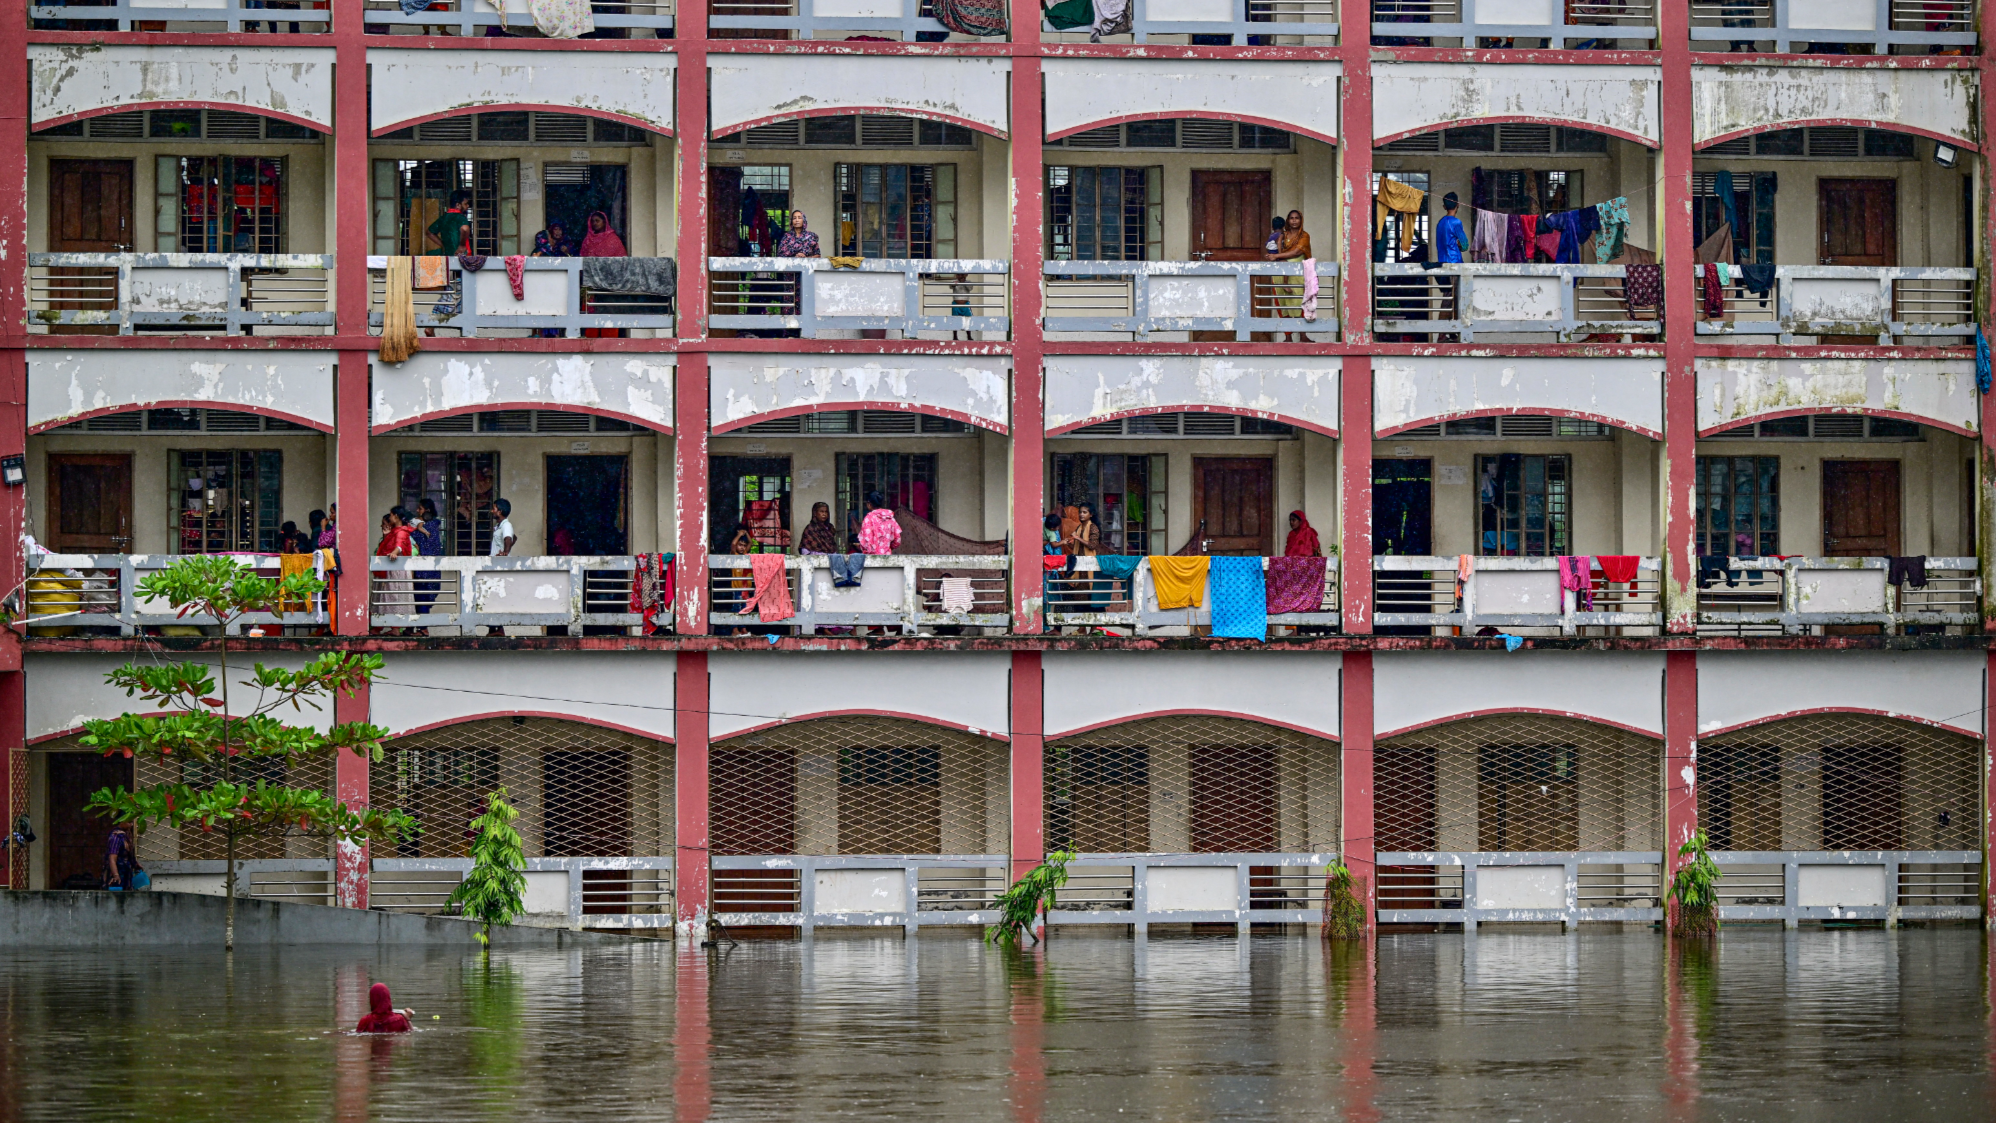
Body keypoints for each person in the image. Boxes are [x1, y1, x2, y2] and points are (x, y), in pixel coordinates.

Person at [1268, 209, 1312, 342]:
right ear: (1287, 220)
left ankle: (1303, 335)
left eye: (1297, 218)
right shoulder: (1283, 235)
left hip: (1298, 275)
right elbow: (1272, 248)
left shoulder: (1304, 236)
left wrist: (1277, 256)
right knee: (1283, 305)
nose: (1294, 220)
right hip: (1281, 274)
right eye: (1291, 218)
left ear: (1301, 220)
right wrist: (1274, 255)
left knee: (1301, 303)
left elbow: (1296, 252)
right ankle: (1288, 336)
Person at [411, 499, 444, 616]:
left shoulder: (429, 526)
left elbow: (416, 539)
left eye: (420, 509)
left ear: (427, 511)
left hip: (425, 568)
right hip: (428, 567)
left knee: (421, 597)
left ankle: (422, 628)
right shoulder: (430, 525)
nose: (417, 511)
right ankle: (418, 627)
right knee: (420, 598)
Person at [859, 491, 901, 555]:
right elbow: (897, 540)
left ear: (869, 504)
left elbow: (866, 542)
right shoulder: (890, 518)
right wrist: (887, 548)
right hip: (887, 559)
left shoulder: (868, 518)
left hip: (871, 560)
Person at [104, 825, 136, 890]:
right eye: (129, 822)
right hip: (118, 872)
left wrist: (135, 864)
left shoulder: (125, 836)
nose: (131, 825)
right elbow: (112, 858)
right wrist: (115, 875)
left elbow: (129, 854)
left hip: (126, 872)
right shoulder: (116, 836)